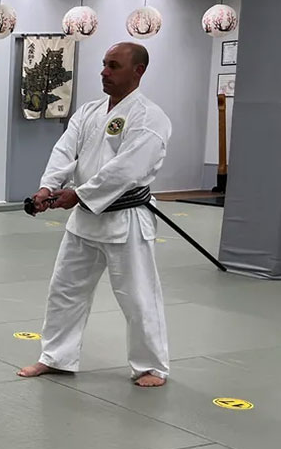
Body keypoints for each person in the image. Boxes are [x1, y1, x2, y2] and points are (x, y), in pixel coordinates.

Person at [18, 42, 172, 387]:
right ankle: (56, 357)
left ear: (138, 71)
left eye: (114, 66)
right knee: (65, 290)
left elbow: (128, 169)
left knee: (138, 297)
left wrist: (79, 194)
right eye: (104, 64)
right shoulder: (89, 111)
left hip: (125, 219)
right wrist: (48, 187)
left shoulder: (149, 117)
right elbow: (66, 152)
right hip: (85, 220)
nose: (104, 72)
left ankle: (151, 366)